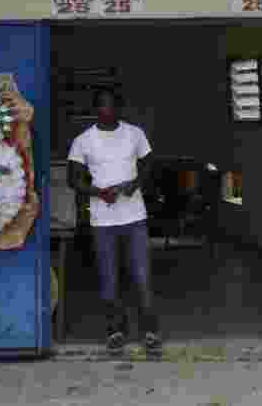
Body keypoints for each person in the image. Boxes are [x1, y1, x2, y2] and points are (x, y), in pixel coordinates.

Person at [66, 89, 160, 355]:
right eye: (103, 106)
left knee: (142, 275)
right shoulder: (83, 141)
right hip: (103, 221)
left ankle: (150, 331)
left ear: (120, 107)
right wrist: (98, 192)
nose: (108, 110)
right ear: (96, 109)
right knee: (109, 278)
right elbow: (73, 180)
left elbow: (150, 164)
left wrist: (136, 183)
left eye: (112, 105)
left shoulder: (135, 133)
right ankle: (115, 330)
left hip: (135, 218)